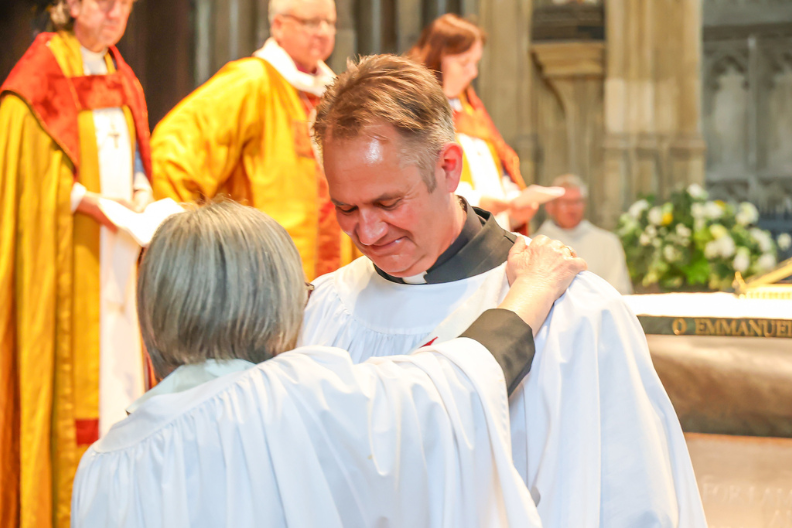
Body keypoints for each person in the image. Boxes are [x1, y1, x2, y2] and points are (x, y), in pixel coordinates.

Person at [301, 54, 708, 527]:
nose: (367, 232)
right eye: (346, 207)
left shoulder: (574, 311)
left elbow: (629, 502)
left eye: (388, 202)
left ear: (449, 166)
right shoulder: (325, 310)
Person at [70, 201, 586, 527]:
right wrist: (533, 288)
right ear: (268, 299)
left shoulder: (101, 464)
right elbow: (447, 392)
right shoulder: (286, 395)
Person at [0, 0, 152, 524]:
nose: (115, 12)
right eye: (103, 1)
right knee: (77, 392)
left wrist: (139, 191)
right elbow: (27, 182)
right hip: (68, 267)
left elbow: (137, 154)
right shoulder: (39, 78)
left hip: (120, 262)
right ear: (69, 5)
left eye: (124, 3)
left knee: (123, 386)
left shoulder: (120, 72)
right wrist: (91, 204)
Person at [150, 0, 351, 281]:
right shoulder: (251, 81)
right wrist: (193, 243)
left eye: (329, 23)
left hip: (328, 276)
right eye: (311, 22)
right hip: (260, 270)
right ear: (279, 25)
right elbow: (172, 149)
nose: (322, 31)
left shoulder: (336, 91)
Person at [408, 14, 536, 232]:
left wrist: (515, 203)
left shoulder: (471, 109)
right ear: (437, 58)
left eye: (475, 63)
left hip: (490, 230)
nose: (473, 72)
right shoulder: (416, 109)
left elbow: (500, 167)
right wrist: (476, 200)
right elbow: (415, 176)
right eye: (464, 63)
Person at [535, 174, 633, 294]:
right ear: (550, 206)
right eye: (565, 203)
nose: (572, 209)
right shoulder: (535, 244)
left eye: (577, 202)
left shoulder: (607, 242)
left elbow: (618, 290)